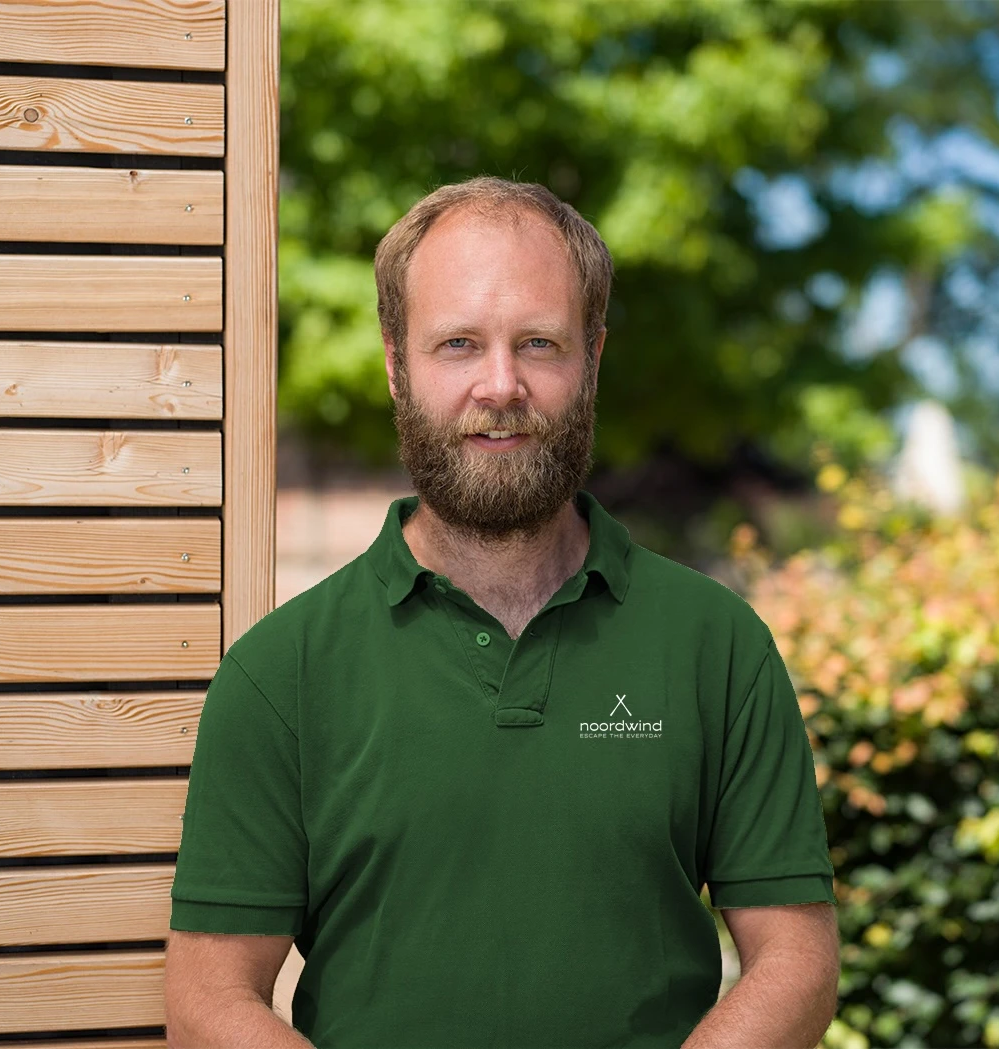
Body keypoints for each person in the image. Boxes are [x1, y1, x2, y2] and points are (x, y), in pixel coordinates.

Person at [164, 177, 840, 1048]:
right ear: (396, 363)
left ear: (592, 358)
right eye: (457, 343)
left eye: (538, 342)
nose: (500, 384)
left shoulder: (718, 646)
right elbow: (207, 999)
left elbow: (797, 960)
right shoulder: (279, 673)